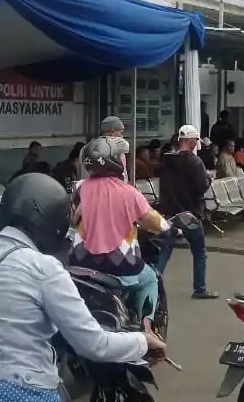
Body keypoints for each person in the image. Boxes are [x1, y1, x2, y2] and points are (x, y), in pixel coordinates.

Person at [0, 173, 167, 402]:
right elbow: (94, 344)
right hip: (16, 398)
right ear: (50, 220)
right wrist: (143, 341)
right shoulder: (45, 268)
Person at [69, 136, 172, 322]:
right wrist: (170, 227)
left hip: (80, 263)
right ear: (115, 160)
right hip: (120, 264)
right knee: (150, 279)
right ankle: (148, 331)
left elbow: (72, 218)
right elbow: (153, 221)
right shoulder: (129, 192)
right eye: (123, 156)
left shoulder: (79, 188)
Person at [156, 125, 217, 298]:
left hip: (170, 212)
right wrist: (209, 179)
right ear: (191, 141)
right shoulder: (195, 162)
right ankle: (200, 288)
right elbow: (200, 188)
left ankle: (153, 282)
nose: (197, 143)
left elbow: (164, 188)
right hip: (190, 214)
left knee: (165, 250)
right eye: (196, 140)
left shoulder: (166, 160)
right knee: (198, 251)